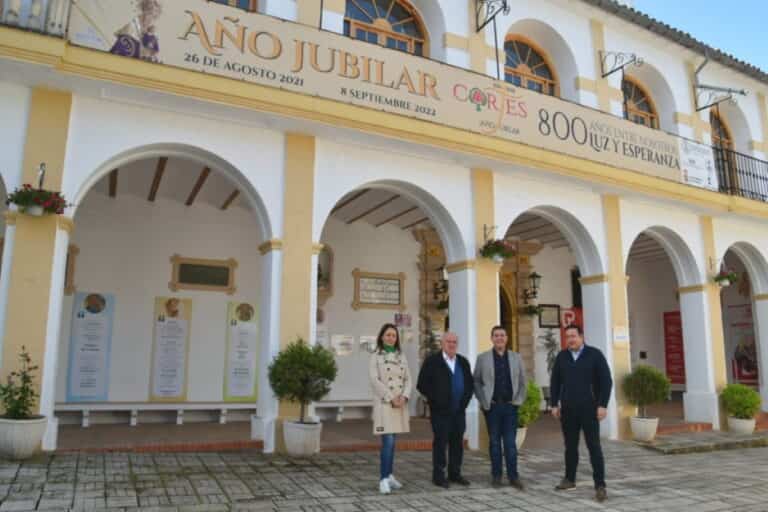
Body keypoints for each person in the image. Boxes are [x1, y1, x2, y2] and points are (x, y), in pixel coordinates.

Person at [550, 324, 613, 503]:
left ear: (581, 337)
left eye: (573, 336)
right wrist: (554, 404)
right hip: (568, 410)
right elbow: (555, 382)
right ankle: (569, 479)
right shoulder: (562, 356)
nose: (570, 339)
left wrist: (602, 405)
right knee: (570, 446)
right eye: (567, 336)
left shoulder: (595, 355)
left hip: (590, 409)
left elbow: (606, 381)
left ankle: (600, 485)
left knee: (594, 447)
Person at [417, 332, 474, 488]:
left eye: (454, 342)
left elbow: (469, 385)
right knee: (441, 444)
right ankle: (439, 476)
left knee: (457, 443)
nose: (451, 344)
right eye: (448, 341)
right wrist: (435, 401)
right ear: (442, 343)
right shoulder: (432, 361)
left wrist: (464, 403)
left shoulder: (463, 362)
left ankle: (455, 474)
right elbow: (422, 384)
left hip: (458, 412)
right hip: (440, 413)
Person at [473, 326, 527, 489]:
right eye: (496, 335)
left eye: (502, 335)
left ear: (507, 338)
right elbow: (476, 381)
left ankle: (513, 476)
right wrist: (483, 402)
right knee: (495, 443)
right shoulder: (482, 358)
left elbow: (523, 382)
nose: (499, 338)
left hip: (511, 407)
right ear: (492, 338)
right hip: (493, 407)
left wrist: (518, 400)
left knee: (510, 444)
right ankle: (496, 476)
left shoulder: (516, 357)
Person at [369, 323, 412, 495]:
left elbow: (409, 378)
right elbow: (374, 380)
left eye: (394, 335)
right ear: (381, 337)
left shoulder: (401, 356)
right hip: (385, 404)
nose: (391, 338)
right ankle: (383, 479)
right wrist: (391, 397)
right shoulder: (375, 356)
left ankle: (390, 475)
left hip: (399, 404)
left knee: (393, 443)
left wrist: (405, 396)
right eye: (388, 335)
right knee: (388, 442)